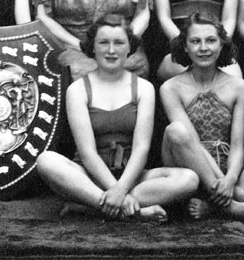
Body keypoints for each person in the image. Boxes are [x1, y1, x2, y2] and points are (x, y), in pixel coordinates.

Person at [37, 14, 198, 222]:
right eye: (103, 42)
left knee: (188, 179)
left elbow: (141, 149)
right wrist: (116, 191)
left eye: (119, 43)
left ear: (129, 47)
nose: (111, 50)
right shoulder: (77, 89)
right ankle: (129, 210)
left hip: (132, 178)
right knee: (46, 161)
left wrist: (121, 188)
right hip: (89, 177)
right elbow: (87, 153)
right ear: (92, 47)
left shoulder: (144, 88)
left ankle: (92, 206)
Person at [160, 14, 244, 220]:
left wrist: (230, 178)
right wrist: (223, 184)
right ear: (185, 46)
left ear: (222, 45)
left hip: (225, 166)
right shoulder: (171, 88)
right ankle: (232, 207)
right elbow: (191, 141)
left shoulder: (238, 86)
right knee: (176, 131)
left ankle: (213, 205)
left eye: (211, 40)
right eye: (195, 41)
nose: (204, 48)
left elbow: (237, 145)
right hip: (187, 165)